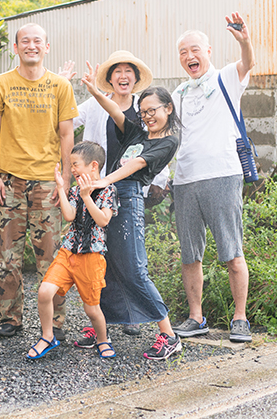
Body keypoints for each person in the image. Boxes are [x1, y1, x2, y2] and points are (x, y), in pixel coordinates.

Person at [81, 62, 183, 360]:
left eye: (154, 110)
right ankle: (104, 326)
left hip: (127, 199)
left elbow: (135, 165)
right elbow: (115, 112)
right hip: (110, 197)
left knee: (135, 269)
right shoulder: (139, 133)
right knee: (108, 266)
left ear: (168, 109)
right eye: (144, 112)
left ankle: (169, 335)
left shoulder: (167, 141)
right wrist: (93, 90)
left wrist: (104, 180)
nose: (149, 116)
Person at [0, 23, 78, 338]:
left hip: (47, 183)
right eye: (25, 41)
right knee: (7, 256)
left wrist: (65, 179)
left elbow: (67, 134)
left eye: (37, 41)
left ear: (47, 47)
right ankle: (10, 319)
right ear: (16, 48)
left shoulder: (60, 86)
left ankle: (55, 322)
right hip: (10, 181)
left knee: (51, 258)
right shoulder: (0, 84)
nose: (31, 46)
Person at [170, 12, 256, 343]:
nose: (189, 56)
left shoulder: (226, 79)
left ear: (208, 50)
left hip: (223, 174)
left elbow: (247, 63)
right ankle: (196, 317)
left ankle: (240, 318)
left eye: (195, 49)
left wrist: (245, 41)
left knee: (232, 251)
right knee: (190, 254)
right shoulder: (178, 94)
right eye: (183, 52)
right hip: (186, 179)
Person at [71, 50, 166, 337]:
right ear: (109, 79)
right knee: (102, 255)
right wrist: (63, 86)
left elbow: (156, 144)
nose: (123, 76)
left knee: (129, 259)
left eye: (129, 71)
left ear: (136, 79)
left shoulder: (143, 108)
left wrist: (160, 179)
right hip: (98, 190)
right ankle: (103, 321)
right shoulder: (95, 104)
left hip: (130, 188)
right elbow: (66, 122)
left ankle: (133, 317)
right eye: (117, 71)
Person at [26, 142, 118, 359]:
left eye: (75, 164)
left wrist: (87, 196)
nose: (73, 169)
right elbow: (69, 215)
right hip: (68, 252)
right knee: (44, 292)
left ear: (93, 165)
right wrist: (60, 186)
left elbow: (103, 220)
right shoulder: (76, 190)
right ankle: (47, 336)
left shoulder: (108, 190)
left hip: (92, 256)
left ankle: (103, 339)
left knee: (91, 309)